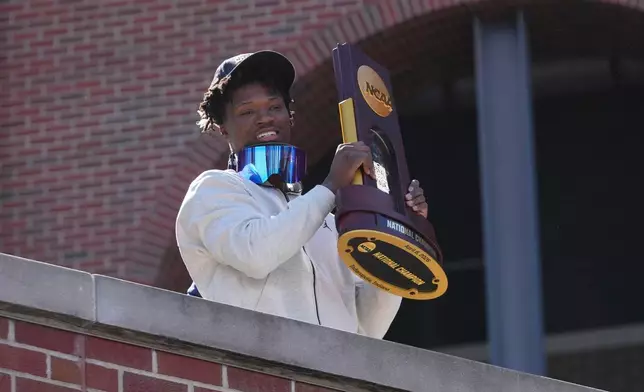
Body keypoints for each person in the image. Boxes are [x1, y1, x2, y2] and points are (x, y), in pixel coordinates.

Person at [175, 51, 430, 339]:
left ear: (290, 115)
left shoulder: (330, 222)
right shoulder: (212, 189)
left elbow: (366, 331)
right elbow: (256, 254)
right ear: (222, 127)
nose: (265, 119)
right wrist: (332, 186)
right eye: (247, 112)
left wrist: (400, 230)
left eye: (275, 107)